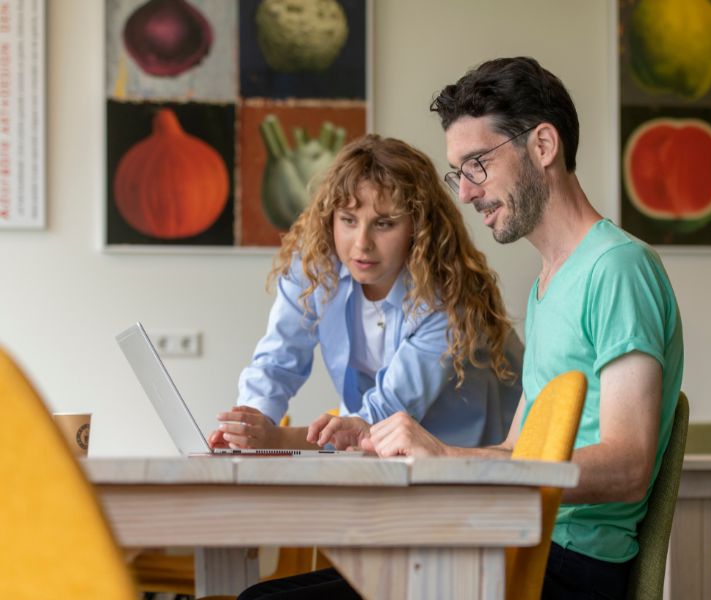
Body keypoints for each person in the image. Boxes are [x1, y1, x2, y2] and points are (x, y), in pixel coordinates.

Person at [304, 57, 684, 600]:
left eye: (477, 164)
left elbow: (628, 466)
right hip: (520, 541)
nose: (464, 193)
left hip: (567, 567)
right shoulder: (548, 284)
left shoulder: (617, 268)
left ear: (543, 146)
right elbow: (517, 451)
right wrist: (397, 444)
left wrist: (449, 459)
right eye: (458, 173)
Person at [207, 134, 523, 458]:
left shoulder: (448, 298)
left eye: (383, 224)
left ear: (419, 227)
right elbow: (276, 361)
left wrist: (276, 440)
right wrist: (248, 424)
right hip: (379, 453)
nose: (361, 243)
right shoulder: (314, 269)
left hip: (468, 455)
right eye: (347, 220)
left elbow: (382, 415)